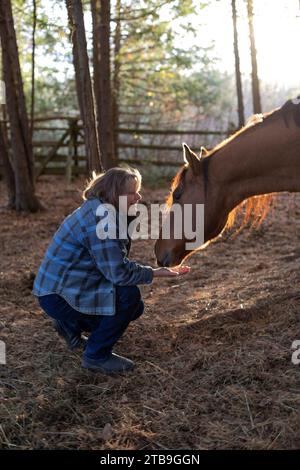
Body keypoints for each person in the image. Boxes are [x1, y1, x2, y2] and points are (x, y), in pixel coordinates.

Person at [32, 167, 190, 375]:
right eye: (132, 192)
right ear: (114, 194)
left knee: (134, 307)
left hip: (55, 290)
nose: (139, 196)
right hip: (60, 295)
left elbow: (111, 262)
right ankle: (96, 355)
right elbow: (119, 274)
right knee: (129, 297)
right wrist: (157, 272)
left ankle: (69, 325)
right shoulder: (102, 221)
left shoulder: (97, 208)